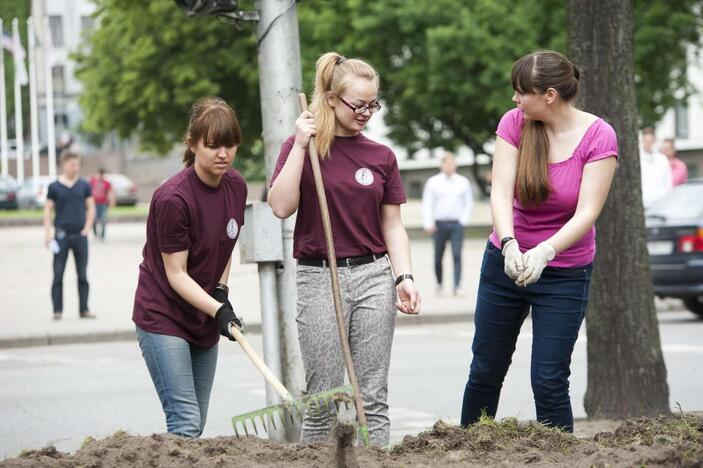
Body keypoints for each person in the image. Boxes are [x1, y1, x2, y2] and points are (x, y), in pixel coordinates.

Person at [460, 50, 618, 433]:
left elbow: (587, 212)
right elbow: (500, 192)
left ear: (549, 95)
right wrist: (511, 244)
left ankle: (559, 457)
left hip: (564, 272)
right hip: (506, 263)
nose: (515, 99)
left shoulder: (599, 135)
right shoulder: (515, 123)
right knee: (485, 369)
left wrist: (546, 252)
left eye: (521, 91)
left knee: (548, 379)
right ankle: (465, 452)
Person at [268, 52, 421, 446]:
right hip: (319, 276)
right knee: (322, 396)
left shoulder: (381, 156)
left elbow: (393, 225)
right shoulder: (302, 147)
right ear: (331, 98)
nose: (367, 112)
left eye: (373, 104)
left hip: (373, 276)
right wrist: (301, 146)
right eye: (358, 104)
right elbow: (281, 207)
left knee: (371, 396)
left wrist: (403, 276)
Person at [132, 97, 247, 437]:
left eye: (230, 145)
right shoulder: (173, 199)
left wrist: (221, 292)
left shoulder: (236, 186)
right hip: (163, 316)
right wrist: (219, 311)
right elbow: (176, 274)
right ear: (193, 143)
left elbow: (225, 246)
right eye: (213, 146)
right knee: (185, 423)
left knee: (197, 424)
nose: (223, 154)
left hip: (202, 317)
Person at [44, 151, 96, 320]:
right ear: (64, 164)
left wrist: (87, 228)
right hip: (61, 235)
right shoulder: (54, 186)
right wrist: (48, 233)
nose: (76, 167)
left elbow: (91, 207)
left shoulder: (84, 185)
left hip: (80, 236)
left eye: (78, 164)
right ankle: (57, 310)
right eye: (73, 164)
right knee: (58, 274)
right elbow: (48, 209)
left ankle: (84, 309)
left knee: (82, 275)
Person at [422, 152, 474, 296]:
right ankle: (439, 283)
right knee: (438, 256)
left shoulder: (463, 182)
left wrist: (463, 221)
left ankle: (457, 285)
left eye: (451, 163)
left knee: (457, 255)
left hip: (456, 224)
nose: (449, 166)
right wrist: (428, 223)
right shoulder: (433, 182)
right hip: (439, 225)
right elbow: (427, 204)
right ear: (442, 165)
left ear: (455, 165)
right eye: (446, 163)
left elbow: (468, 203)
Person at [639, 128, 672, 209]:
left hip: (661, 203)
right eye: (646, 141)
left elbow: (668, 181)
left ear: (654, 142)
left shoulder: (662, 159)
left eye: (651, 141)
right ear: (642, 141)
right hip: (644, 204)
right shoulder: (638, 160)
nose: (648, 144)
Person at [89, 168, 114, 241]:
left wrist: (112, 201)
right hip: (94, 204)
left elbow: (110, 192)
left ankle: (102, 236)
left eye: (102, 175)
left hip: (103, 204)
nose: (101, 176)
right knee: (94, 219)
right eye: (99, 175)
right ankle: (96, 234)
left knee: (103, 219)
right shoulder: (92, 182)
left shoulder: (106, 183)